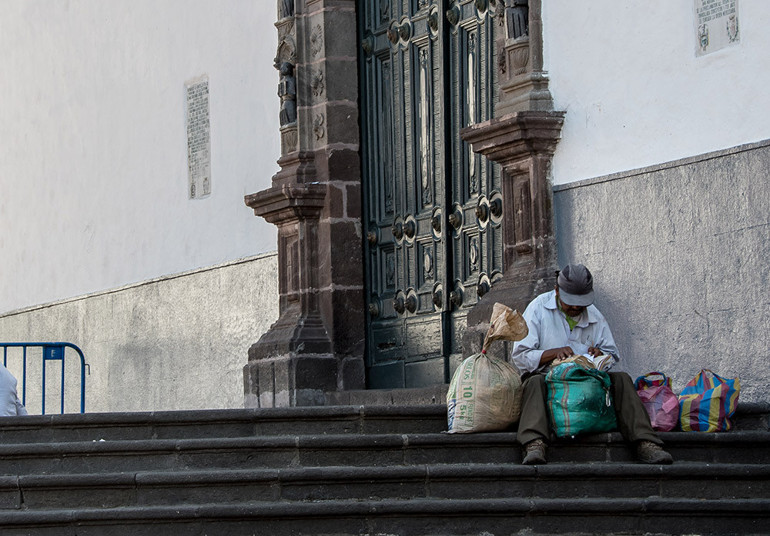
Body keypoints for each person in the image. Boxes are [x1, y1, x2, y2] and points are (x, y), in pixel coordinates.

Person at [511, 263, 672, 465]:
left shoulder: (594, 315)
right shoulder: (538, 308)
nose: (576, 308)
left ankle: (646, 443)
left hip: (585, 380)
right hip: (548, 378)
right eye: (570, 303)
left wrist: (600, 355)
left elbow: (612, 354)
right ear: (557, 291)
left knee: (621, 379)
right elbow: (520, 356)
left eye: (581, 303)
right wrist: (552, 354)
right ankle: (534, 443)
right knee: (533, 383)